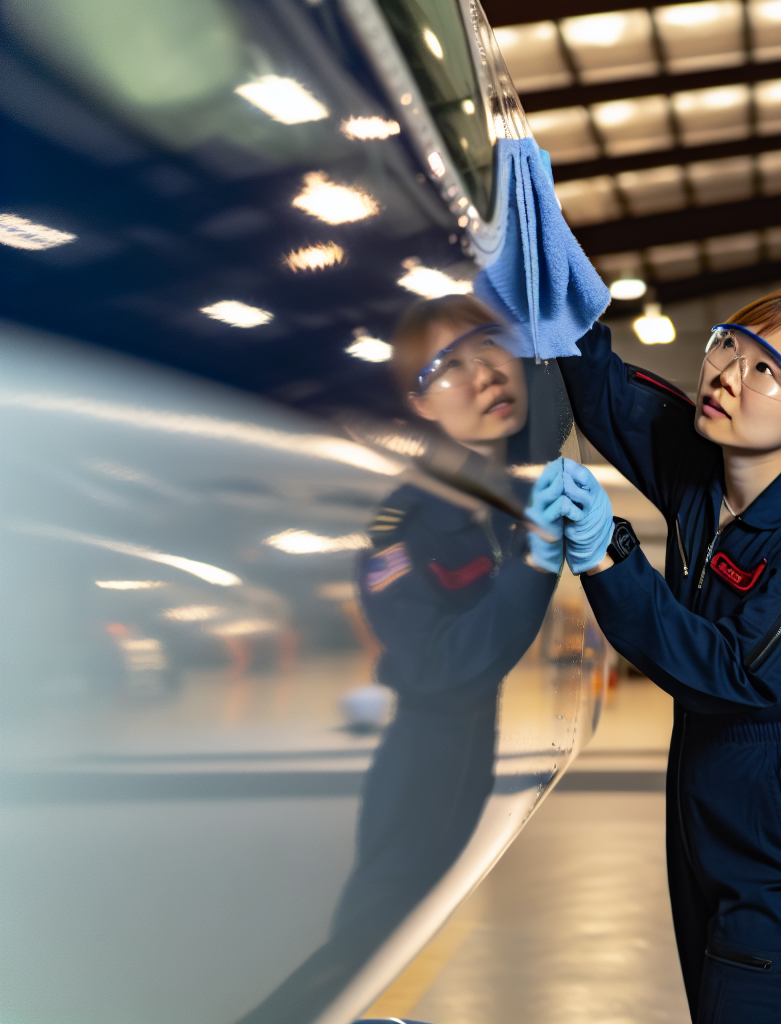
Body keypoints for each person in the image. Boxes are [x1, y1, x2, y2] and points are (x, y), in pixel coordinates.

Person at [540, 289, 781, 1023]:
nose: (729, 373)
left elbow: (738, 672)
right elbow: (604, 392)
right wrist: (560, 298)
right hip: (703, 803)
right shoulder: (703, 472)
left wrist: (610, 555)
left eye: (767, 370)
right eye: (728, 344)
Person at [237, 295, 562, 1022]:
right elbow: (444, 663)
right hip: (427, 746)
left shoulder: (510, 497)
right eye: (453, 366)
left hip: (478, 739)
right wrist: (539, 557)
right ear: (421, 402)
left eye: (491, 349)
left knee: (417, 919)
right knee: (371, 930)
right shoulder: (402, 524)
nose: (485, 375)